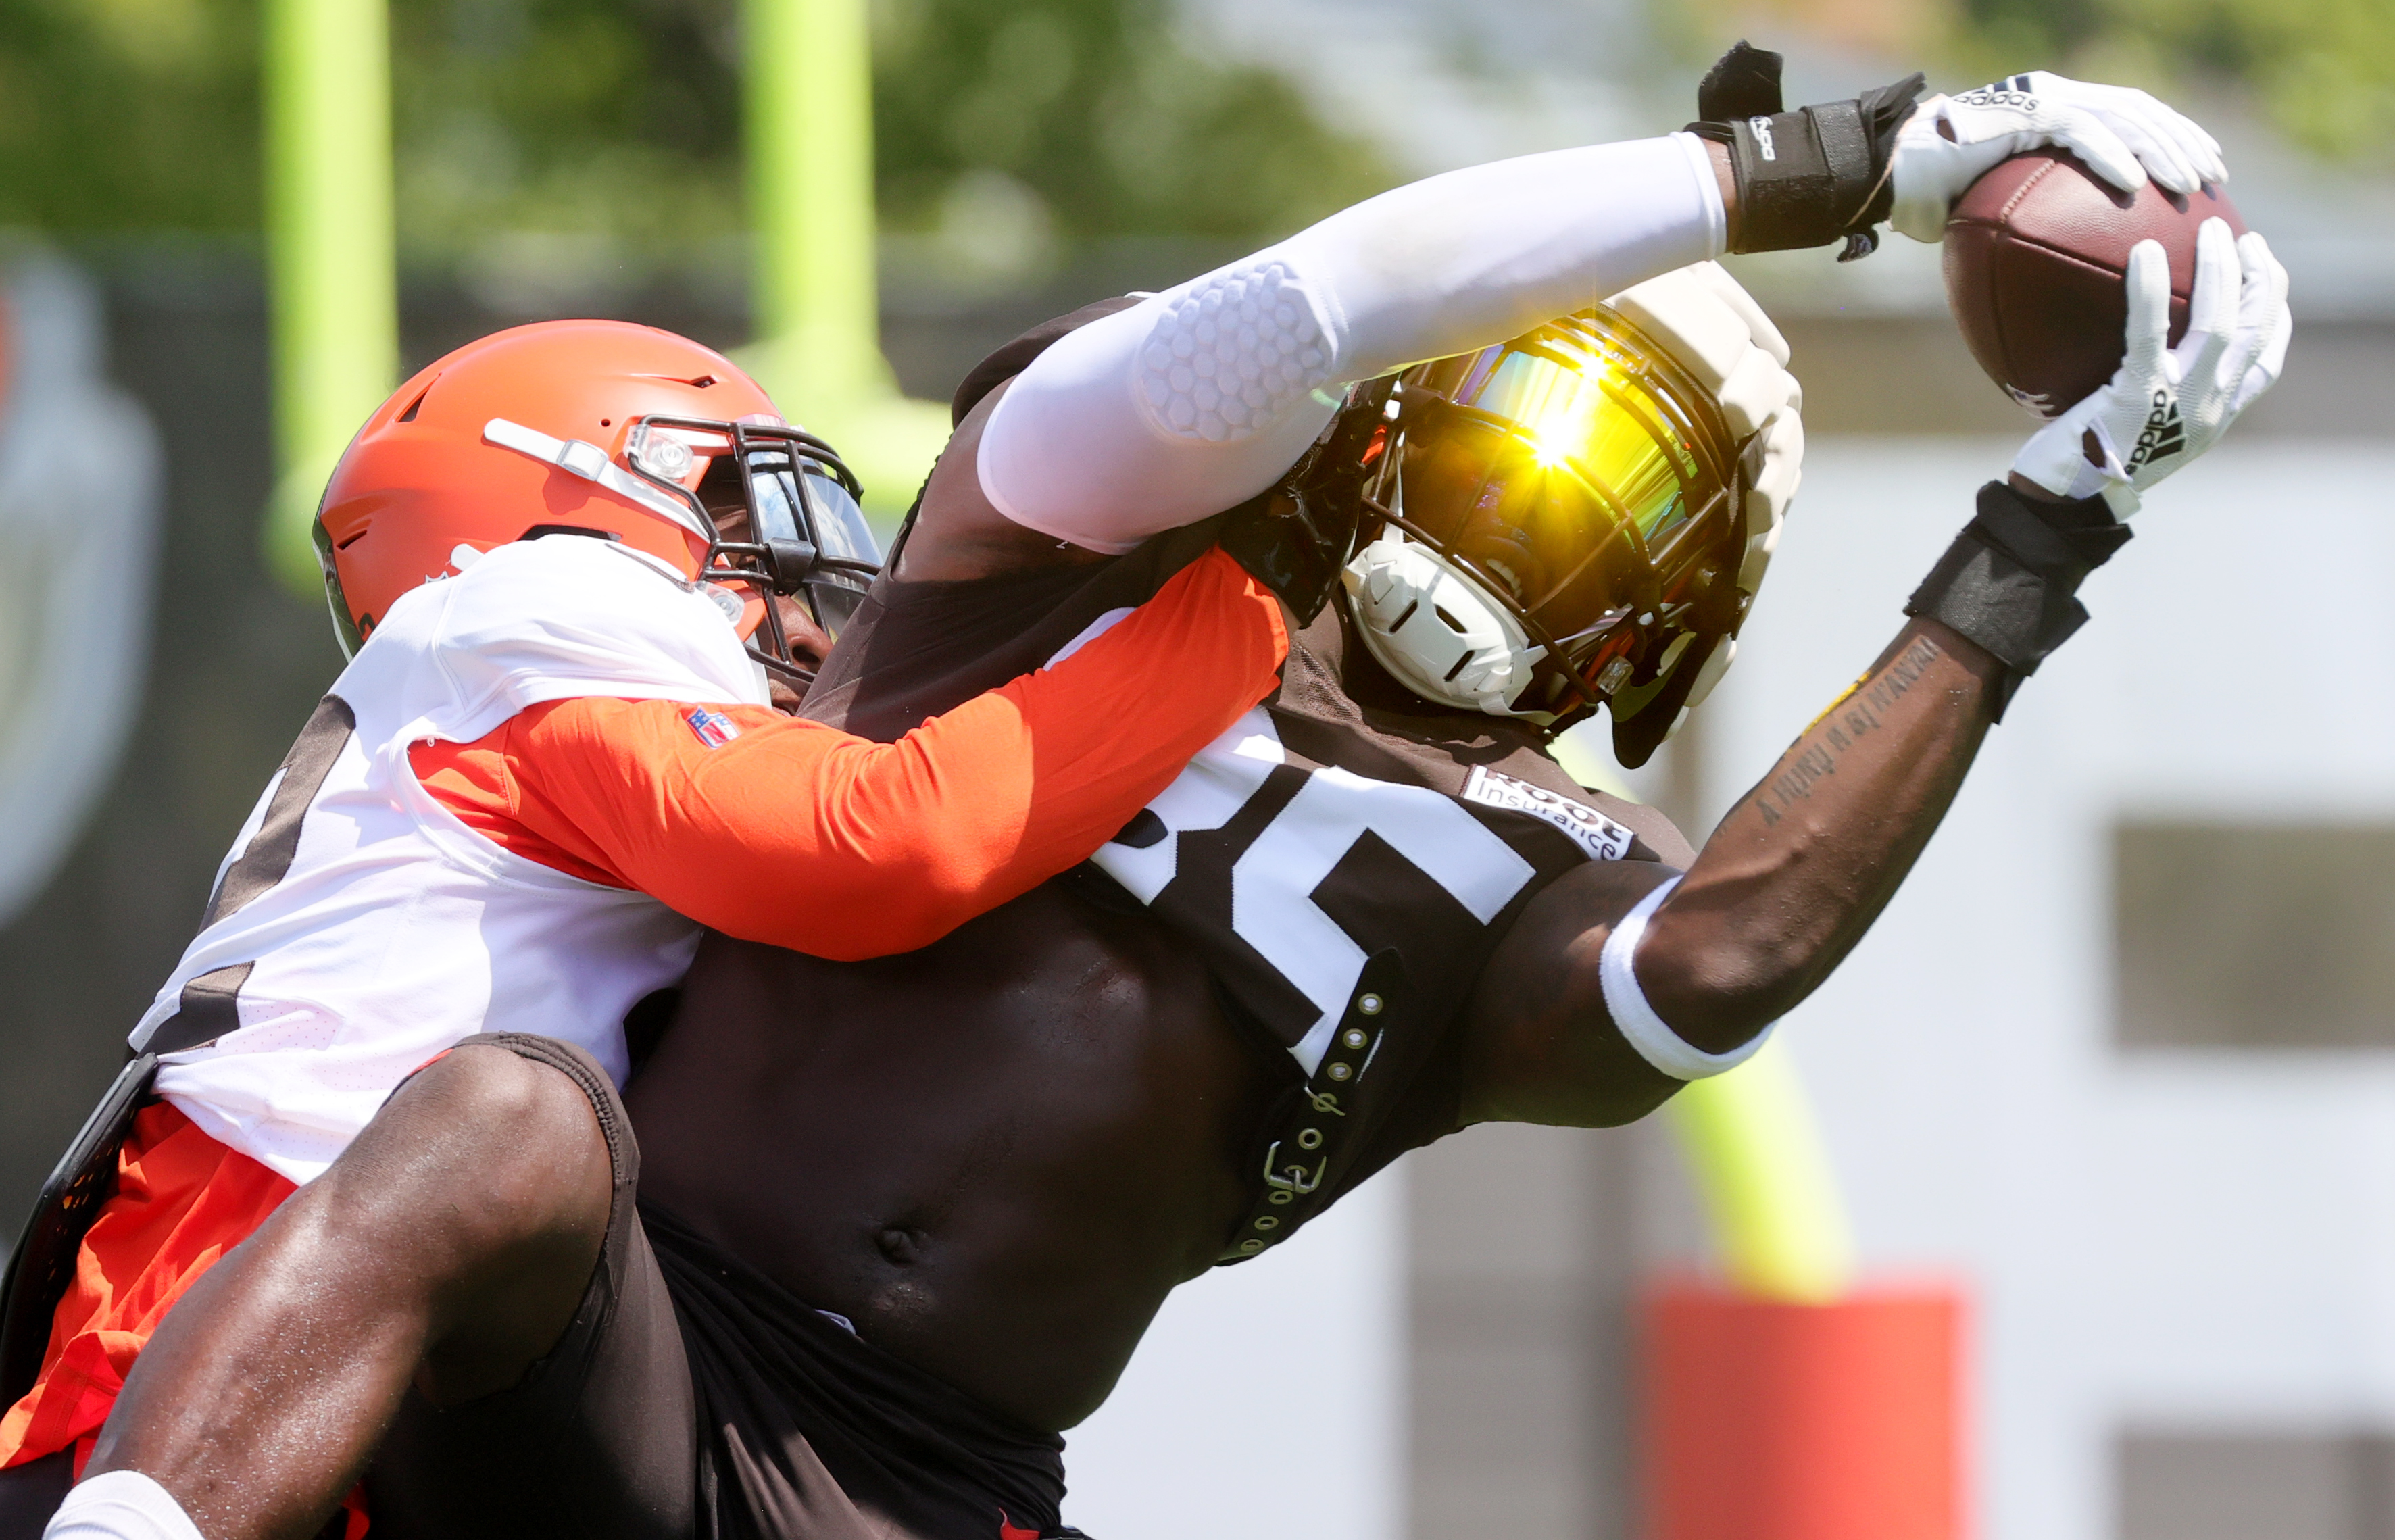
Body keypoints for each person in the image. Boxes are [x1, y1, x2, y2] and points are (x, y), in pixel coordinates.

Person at [17, 49, 2288, 1540]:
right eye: (1520, 439)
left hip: (936, 1494)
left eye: (1624, 516)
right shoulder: (1078, 562)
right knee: (503, 1124)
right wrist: (1820, 167)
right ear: (1395, 421)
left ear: (1670, 632)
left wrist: (2040, 532)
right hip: (630, 1332)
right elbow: (1294, 309)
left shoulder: (1553, 874)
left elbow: (1718, 970)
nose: (1537, 528)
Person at [0, 320, 1289, 1537]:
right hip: (223, 1325)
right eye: (742, 503)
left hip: (396, 1343)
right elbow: (880, 841)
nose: (805, 568)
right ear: (577, 496)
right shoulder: (534, 607)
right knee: (515, 1118)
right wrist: (1231, 623)